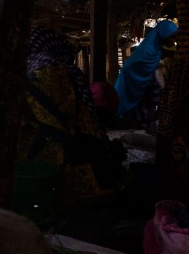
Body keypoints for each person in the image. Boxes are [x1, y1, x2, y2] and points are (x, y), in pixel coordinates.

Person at [18, 27, 119, 204]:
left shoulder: (23, 67)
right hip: (62, 145)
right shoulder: (62, 66)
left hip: (27, 147)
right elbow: (85, 111)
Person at [115, 19, 178, 118]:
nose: (174, 40)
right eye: (172, 37)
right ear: (163, 34)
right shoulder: (150, 51)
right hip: (130, 82)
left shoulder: (156, 50)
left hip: (135, 84)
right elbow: (142, 69)